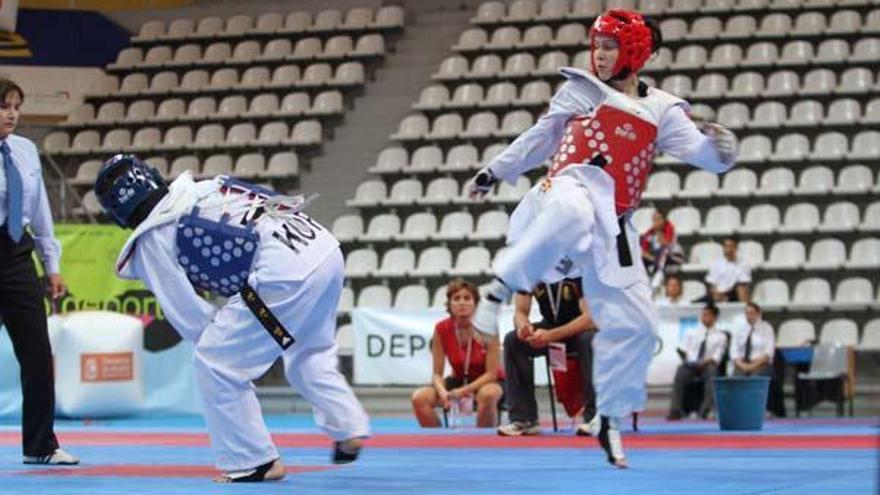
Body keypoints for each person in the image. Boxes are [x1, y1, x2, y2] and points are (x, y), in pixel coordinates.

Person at [464, 9, 737, 468]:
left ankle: (608, 418)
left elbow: (705, 157)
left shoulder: (663, 110)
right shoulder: (579, 89)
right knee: (573, 206)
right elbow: (540, 137)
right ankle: (499, 289)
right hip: (561, 193)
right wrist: (495, 171)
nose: (599, 54)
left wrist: (722, 150)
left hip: (612, 224)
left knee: (640, 327)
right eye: (597, 45)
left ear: (634, 51)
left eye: (609, 46)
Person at [94, 154, 369, 482]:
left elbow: (190, 316)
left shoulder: (154, 236)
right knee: (309, 351)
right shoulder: (201, 189)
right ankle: (348, 426)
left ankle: (254, 461)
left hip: (284, 273)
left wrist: (222, 343)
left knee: (215, 362)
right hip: (324, 250)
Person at [0, 78, 78, 465]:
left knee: (36, 354)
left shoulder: (26, 150)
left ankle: (40, 445)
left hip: (16, 256)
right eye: (3, 106)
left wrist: (52, 266)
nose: (12, 113)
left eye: (16, 105)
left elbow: (41, 210)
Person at [497, 277, 597, 436]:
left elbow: (590, 318)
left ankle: (595, 417)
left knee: (590, 340)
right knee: (513, 341)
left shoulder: (578, 267)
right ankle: (524, 419)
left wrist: (551, 336)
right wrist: (523, 326)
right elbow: (520, 312)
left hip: (581, 328)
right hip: (550, 326)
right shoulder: (530, 269)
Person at [411, 278, 504, 428]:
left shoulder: (488, 327)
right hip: (458, 380)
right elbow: (436, 374)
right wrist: (443, 393)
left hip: (488, 382)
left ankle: (484, 444)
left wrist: (462, 391)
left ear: (476, 304)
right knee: (419, 398)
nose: (462, 303)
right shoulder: (441, 328)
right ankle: (438, 442)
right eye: (456, 299)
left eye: (467, 298)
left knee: (488, 395)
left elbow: (491, 374)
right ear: (450, 305)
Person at [667, 304, 728, 420]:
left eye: (707, 315)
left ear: (715, 318)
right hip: (691, 364)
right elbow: (683, 349)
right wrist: (688, 360)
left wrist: (705, 361)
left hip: (707, 365)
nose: (704, 317)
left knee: (712, 371)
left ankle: (705, 409)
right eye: (703, 315)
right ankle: (675, 410)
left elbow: (717, 357)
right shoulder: (691, 332)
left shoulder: (721, 336)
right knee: (680, 371)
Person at [731, 302, 774, 377]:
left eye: (751, 313)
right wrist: (742, 365)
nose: (749, 316)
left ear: (758, 314)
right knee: (734, 380)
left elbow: (768, 353)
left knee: (754, 378)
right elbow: (733, 351)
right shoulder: (740, 329)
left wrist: (752, 366)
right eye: (747, 314)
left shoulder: (767, 328)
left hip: (760, 363)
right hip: (742, 364)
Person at [703, 236, 750, 303]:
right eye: (726, 246)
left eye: (731, 246)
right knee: (695, 303)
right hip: (717, 295)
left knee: (741, 289)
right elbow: (712, 284)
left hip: (733, 294)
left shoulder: (743, 265)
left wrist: (725, 295)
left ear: (736, 248)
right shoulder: (716, 264)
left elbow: (742, 285)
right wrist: (717, 294)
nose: (729, 249)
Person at [640, 209, 683, 282]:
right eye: (654, 220)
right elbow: (643, 252)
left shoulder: (669, 228)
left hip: (673, 256)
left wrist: (658, 231)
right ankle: (645, 280)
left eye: (659, 219)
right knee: (641, 259)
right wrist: (653, 259)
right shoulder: (649, 233)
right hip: (658, 258)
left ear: (664, 220)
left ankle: (656, 277)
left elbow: (665, 244)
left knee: (663, 252)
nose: (656, 222)